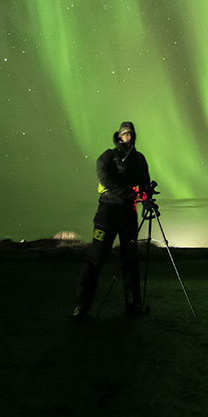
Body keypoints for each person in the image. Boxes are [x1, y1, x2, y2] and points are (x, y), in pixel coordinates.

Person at [73, 121, 151, 318]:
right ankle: (82, 306)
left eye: (131, 133)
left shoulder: (139, 159)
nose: (129, 137)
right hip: (108, 212)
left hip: (128, 213)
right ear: (119, 135)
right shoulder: (108, 156)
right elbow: (104, 178)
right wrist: (127, 192)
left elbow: (144, 182)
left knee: (130, 259)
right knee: (96, 258)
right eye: (125, 134)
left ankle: (133, 306)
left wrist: (147, 198)